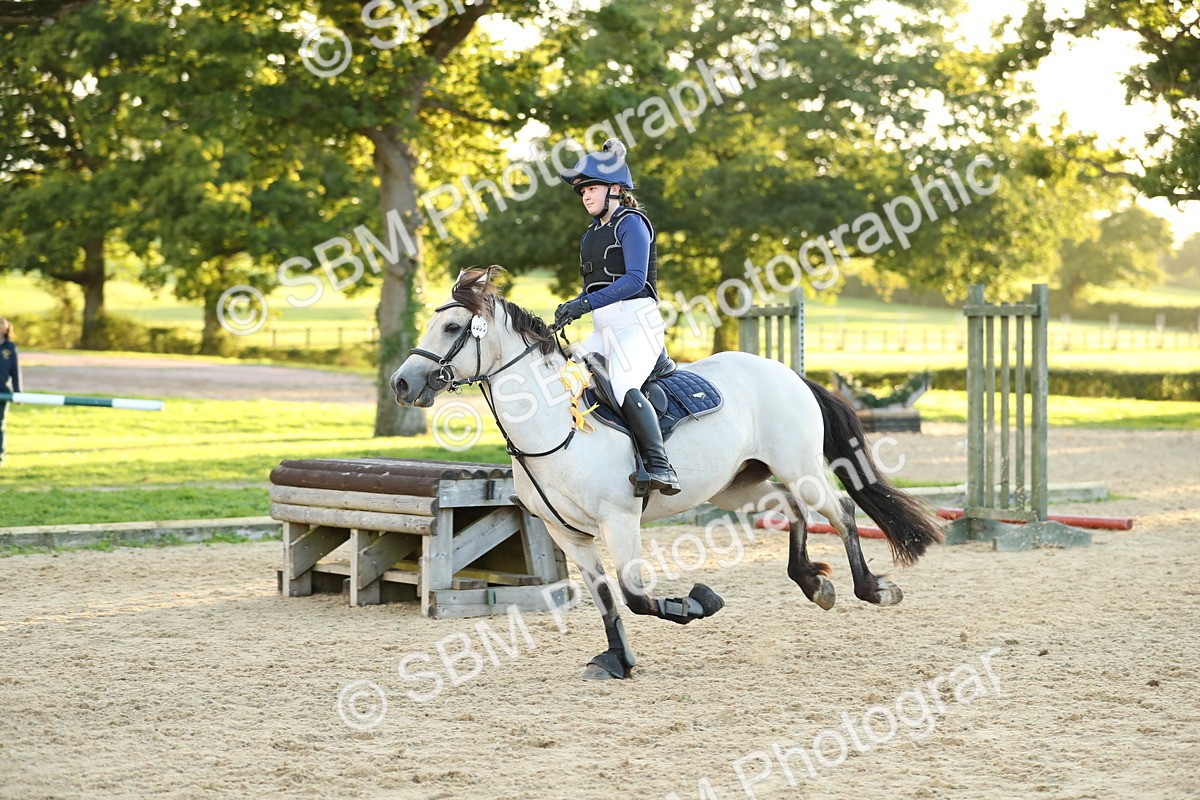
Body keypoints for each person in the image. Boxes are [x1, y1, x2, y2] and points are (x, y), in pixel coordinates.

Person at [554, 138, 681, 496]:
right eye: (583, 192)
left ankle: (660, 466)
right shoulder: (590, 235)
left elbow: (635, 280)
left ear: (615, 190)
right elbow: (596, 288)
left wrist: (584, 304)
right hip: (604, 327)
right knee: (564, 379)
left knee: (623, 383)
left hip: (638, 325)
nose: (586, 197)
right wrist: (572, 306)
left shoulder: (632, 223)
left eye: (592, 189)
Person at [0, 316, 19, 466]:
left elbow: (15, 371)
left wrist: (18, 393)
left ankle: (0, 456)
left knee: (0, 424)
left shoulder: (10, 347)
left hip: (2, 391)